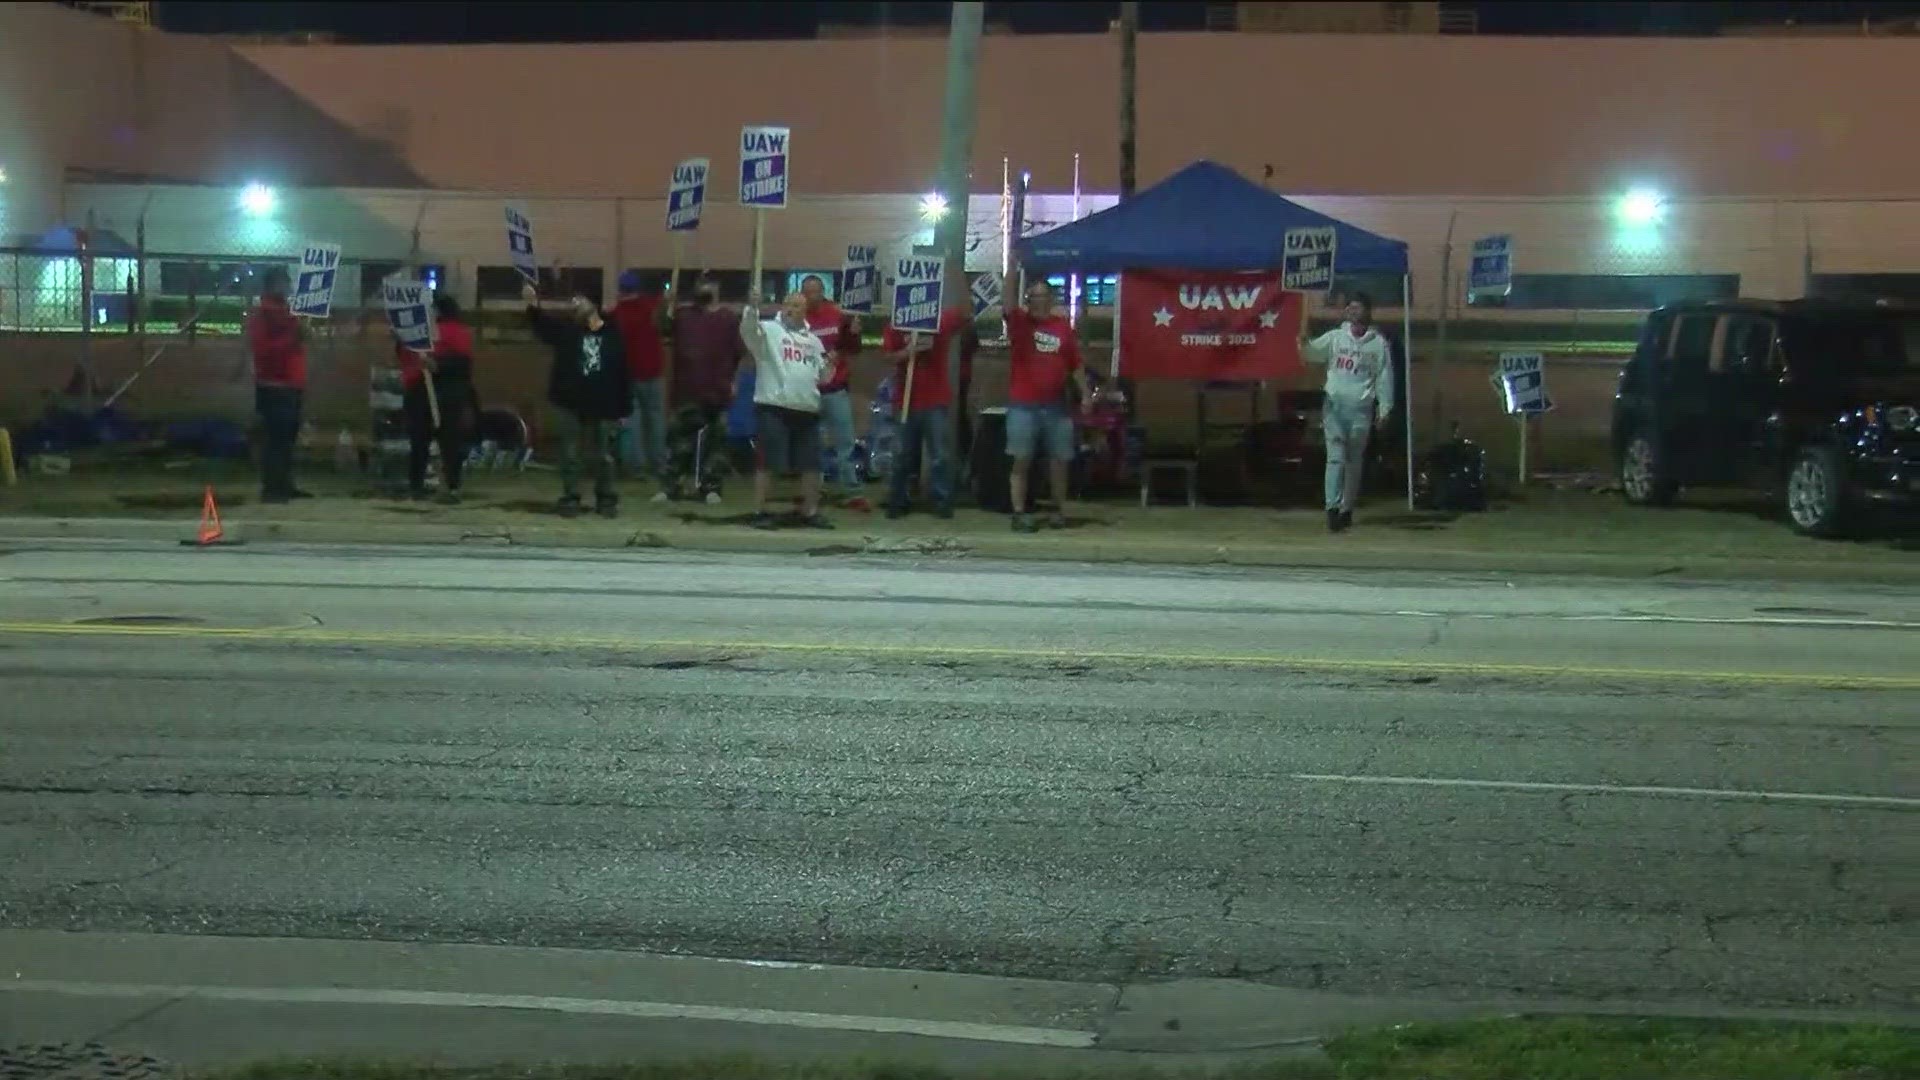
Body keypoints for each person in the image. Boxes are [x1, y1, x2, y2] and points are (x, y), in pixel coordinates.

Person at [524, 280, 631, 518]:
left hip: (604, 403)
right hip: (571, 401)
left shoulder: (611, 333)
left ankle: (606, 499)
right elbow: (544, 327)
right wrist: (532, 304)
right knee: (570, 453)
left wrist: (624, 408)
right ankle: (571, 497)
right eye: (572, 302)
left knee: (604, 456)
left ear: (593, 304)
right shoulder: (568, 331)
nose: (574, 305)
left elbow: (622, 370)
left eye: (579, 300)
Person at [1300, 292, 1395, 533]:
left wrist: (1384, 408)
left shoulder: (1378, 344)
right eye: (1350, 308)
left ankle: (1346, 508)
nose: (1354, 312)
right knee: (1335, 458)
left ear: (1367, 312)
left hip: (1361, 408)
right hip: (1334, 405)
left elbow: (1384, 378)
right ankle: (1331, 508)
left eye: (1358, 308)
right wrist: (1303, 342)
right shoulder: (1335, 338)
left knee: (1354, 461)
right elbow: (1312, 353)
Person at [739, 287, 830, 530]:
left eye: (797, 306)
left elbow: (824, 376)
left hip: (807, 409)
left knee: (811, 464)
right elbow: (748, 333)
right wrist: (752, 309)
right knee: (769, 462)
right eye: (788, 304)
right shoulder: (769, 331)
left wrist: (831, 366)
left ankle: (810, 512)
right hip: (774, 406)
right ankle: (760, 511)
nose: (791, 309)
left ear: (805, 311)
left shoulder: (814, 341)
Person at [1002, 275, 1087, 533]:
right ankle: (1018, 513)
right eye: (1033, 297)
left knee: (1060, 460)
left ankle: (1059, 510)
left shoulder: (1062, 327)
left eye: (1043, 297)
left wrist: (1085, 395)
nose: (1038, 302)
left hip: (1056, 406)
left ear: (1051, 300)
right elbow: (1006, 304)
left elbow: (1075, 365)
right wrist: (1011, 270)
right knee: (1021, 459)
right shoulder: (1020, 323)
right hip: (1023, 405)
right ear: (1028, 300)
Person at [880, 305, 968, 520]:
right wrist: (908, 352)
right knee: (902, 454)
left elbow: (965, 313)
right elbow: (888, 357)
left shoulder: (940, 320)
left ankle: (942, 501)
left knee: (940, 456)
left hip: (935, 399)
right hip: (906, 400)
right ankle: (898, 500)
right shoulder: (897, 322)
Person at [663, 274, 745, 504]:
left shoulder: (729, 319)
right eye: (699, 285)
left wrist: (734, 382)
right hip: (686, 388)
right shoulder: (683, 315)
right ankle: (672, 486)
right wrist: (666, 304)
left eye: (707, 285)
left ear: (717, 289)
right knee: (679, 442)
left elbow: (738, 353)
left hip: (718, 388)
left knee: (716, 443)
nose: (702, 289)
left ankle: (711, 488)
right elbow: (662, 327)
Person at [397, 292, 478, 504]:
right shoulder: (455, 332)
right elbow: (464, 364)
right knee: (442, 441)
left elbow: (462, 364)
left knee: (427, 441)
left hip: (437, 390)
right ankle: (444, 485)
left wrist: (437, 365)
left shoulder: (452, 331)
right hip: (434, 390)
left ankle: (428, 485)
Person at [802, 275, 867, 510]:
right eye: (806, 292)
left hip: (835, 389)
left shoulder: (837, 315)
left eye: (815, 291)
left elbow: (854, 348)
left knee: (845, 443)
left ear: (822, 291)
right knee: (811, 445)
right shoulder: (798, 319)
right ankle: (813, 492)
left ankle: (853, 492)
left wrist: (855, 332)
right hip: (807, 391)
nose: (811, 296)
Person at [245, 267, 310, 504]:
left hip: (290, 384)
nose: (288, 286)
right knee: (275, 439)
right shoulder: (264, 315)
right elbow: (263, 351)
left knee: (287, 439)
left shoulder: (286, 314)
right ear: (273, 285)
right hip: (274, 384)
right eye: (284, 281)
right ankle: (272, 488)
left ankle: (284, 484)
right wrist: (294, 338)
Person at [610, 270, 673, 501]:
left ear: (620, 290)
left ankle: (636, 467)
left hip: (629, 376)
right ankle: (660, 464)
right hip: (653, 372)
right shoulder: (650, 306)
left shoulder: (616, 315)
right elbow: (666, 310)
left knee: (632, 423)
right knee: (656, 420)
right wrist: (669, 297)